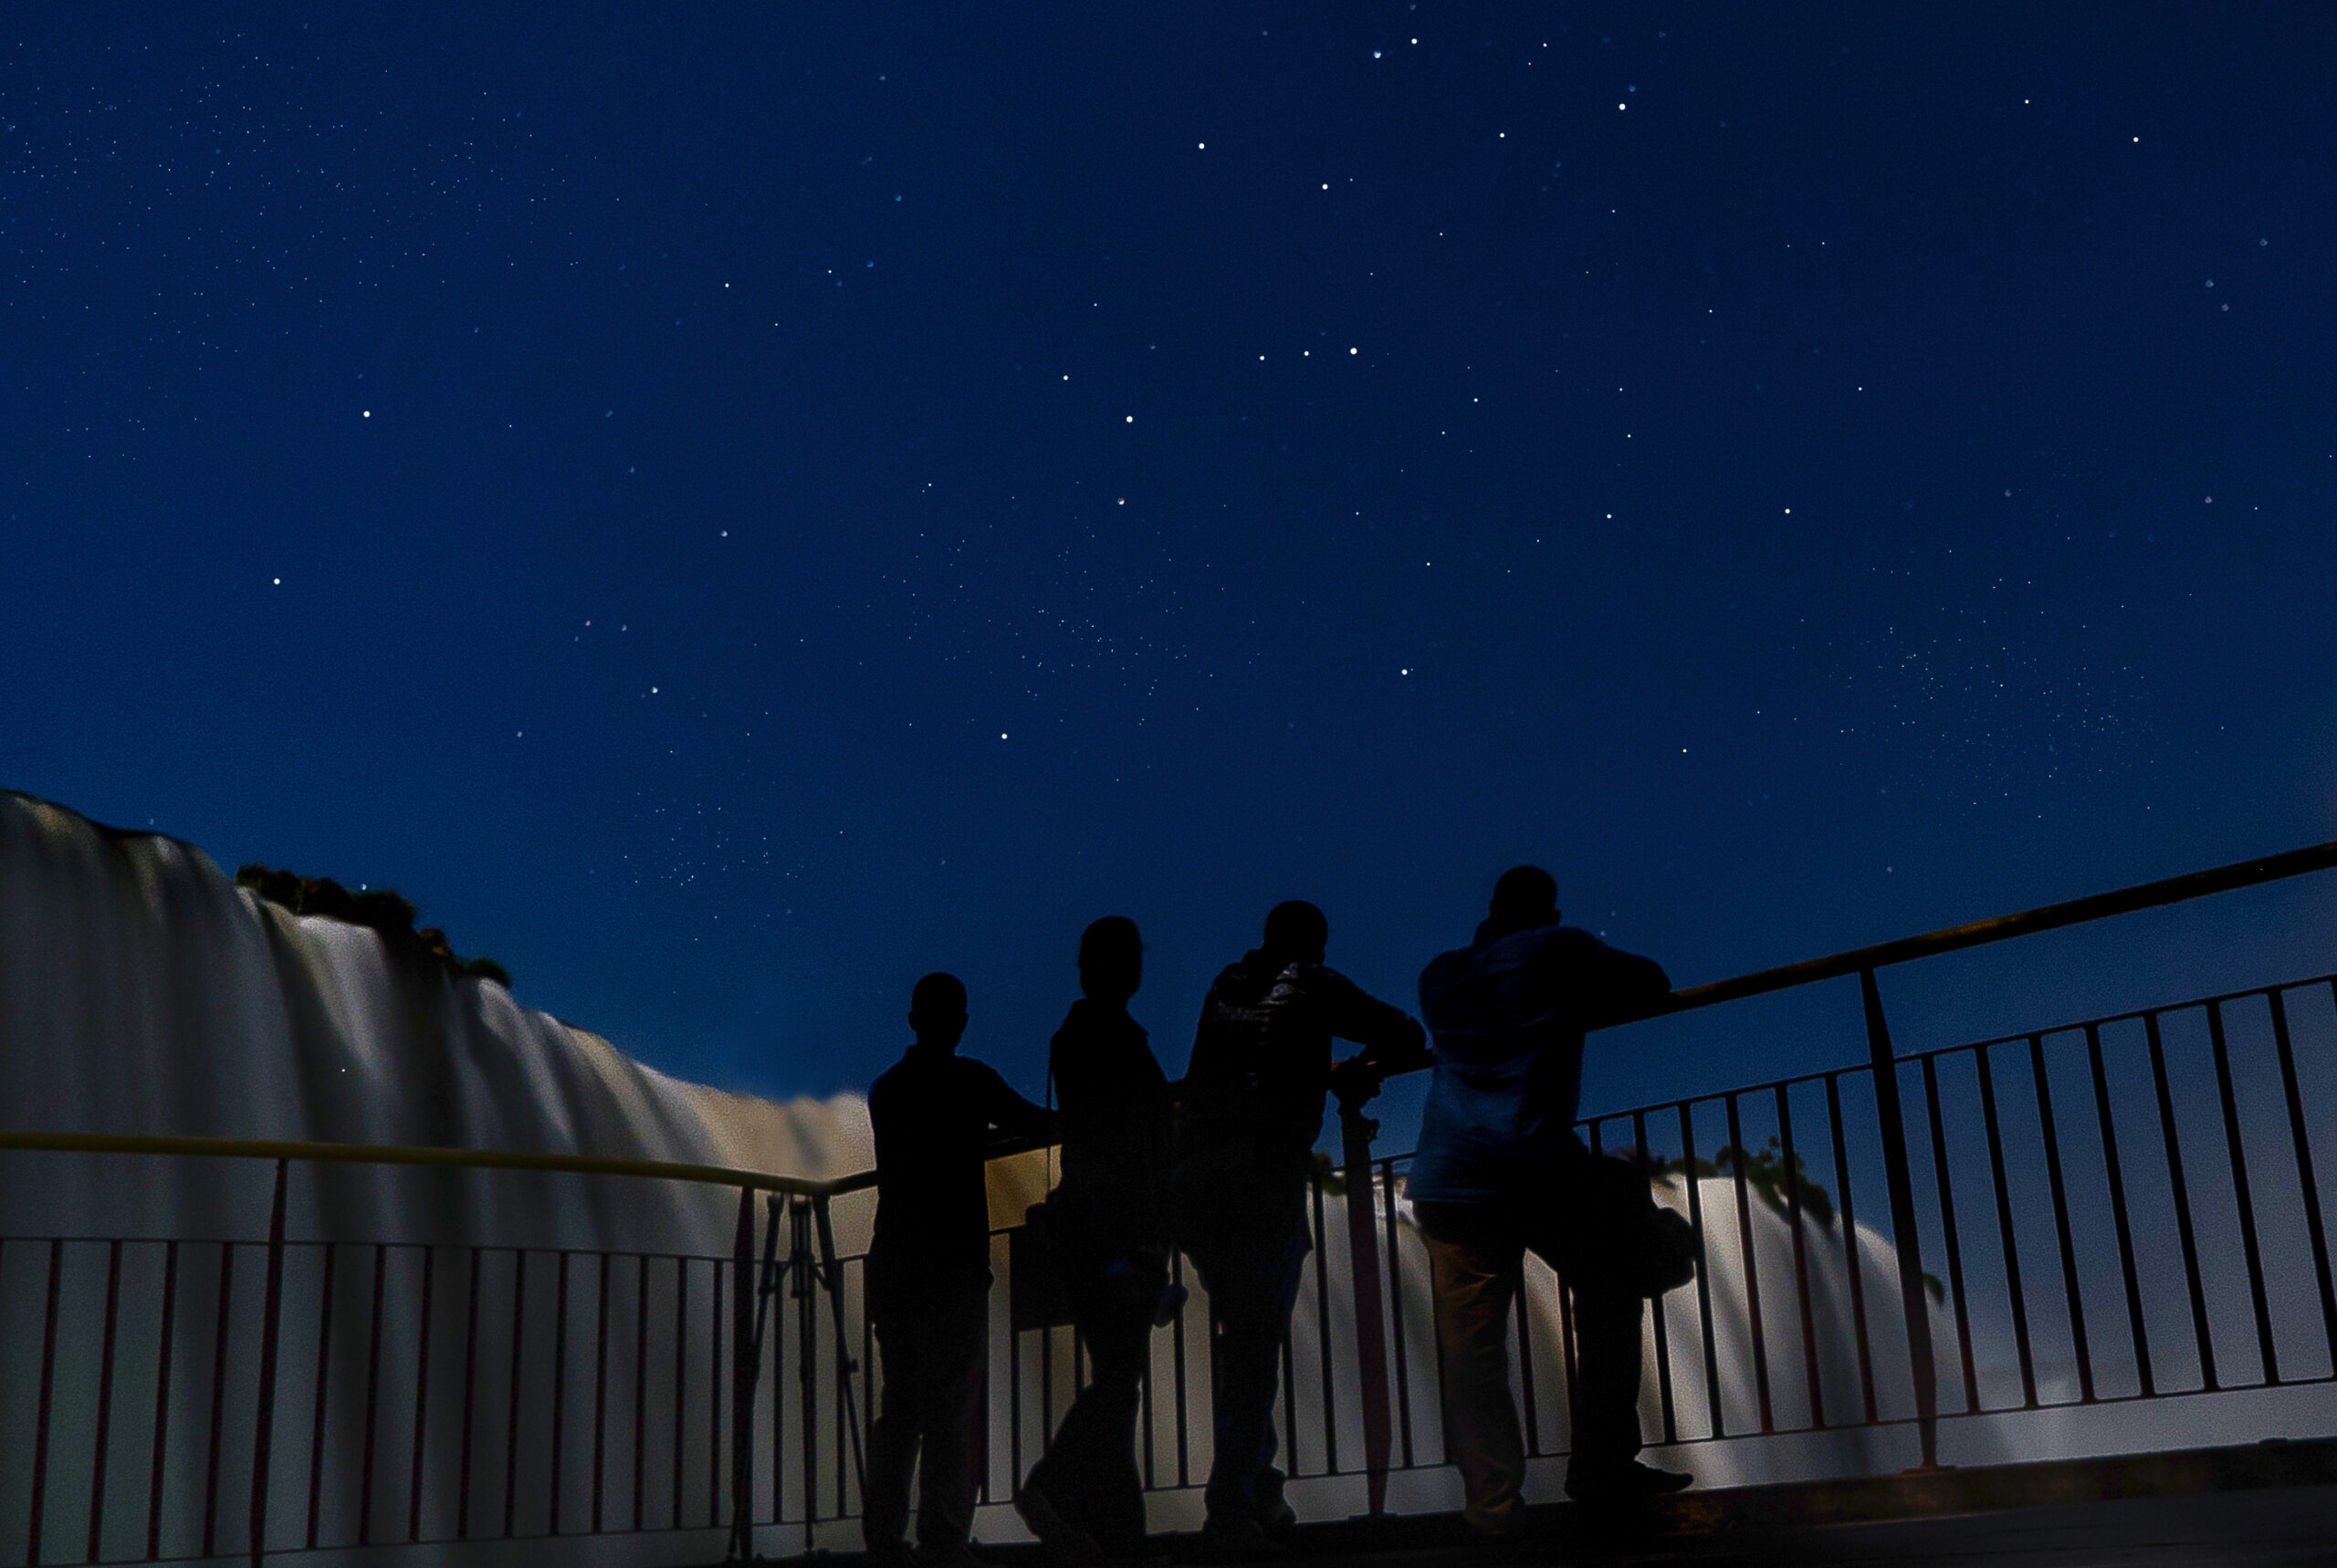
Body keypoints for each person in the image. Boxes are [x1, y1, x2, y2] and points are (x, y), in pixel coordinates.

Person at [1410, 866, 1689, 1537]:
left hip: (1447, 1175)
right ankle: (1602, 1464)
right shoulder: (1556, 949)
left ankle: (1494, 1511)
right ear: (1547, 910)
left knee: (1472, 1353)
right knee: (1615, 1283)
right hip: (1533, 1164)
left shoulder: (1439, 975)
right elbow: (1650, 982)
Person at [1173, 900, 1428, 1556]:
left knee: (1244, 1337)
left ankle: (1261, 1488)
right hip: (1263, 1175)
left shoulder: (1222, 987)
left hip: (1196, 1179)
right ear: (1313, 946)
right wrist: (1349, 1070)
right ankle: (1230, 1506)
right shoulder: (1315, 984)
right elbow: (1404, 1033)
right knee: (1256, 1347)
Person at [865, 973, 1057, 1568]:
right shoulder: (971, 1082)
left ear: (912, 1020)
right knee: (948, 1403)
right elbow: (1037, 1123)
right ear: (961, 1022)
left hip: (894, 1260)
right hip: (952, 1263)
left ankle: (884, 1537)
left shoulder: (887, 1089)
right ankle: (942, 1537)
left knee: (900, 1405)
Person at [1015, 917, 1175, 1565]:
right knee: (1118, 1379)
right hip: (1113, 1229)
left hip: (1090, 1228)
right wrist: (1140, 1240)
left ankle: (1116, 1538)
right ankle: (1050, 1488)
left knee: (1119, 1379)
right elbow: (1126, 1140)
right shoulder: (1110, 1038)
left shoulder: (1075, 1036)